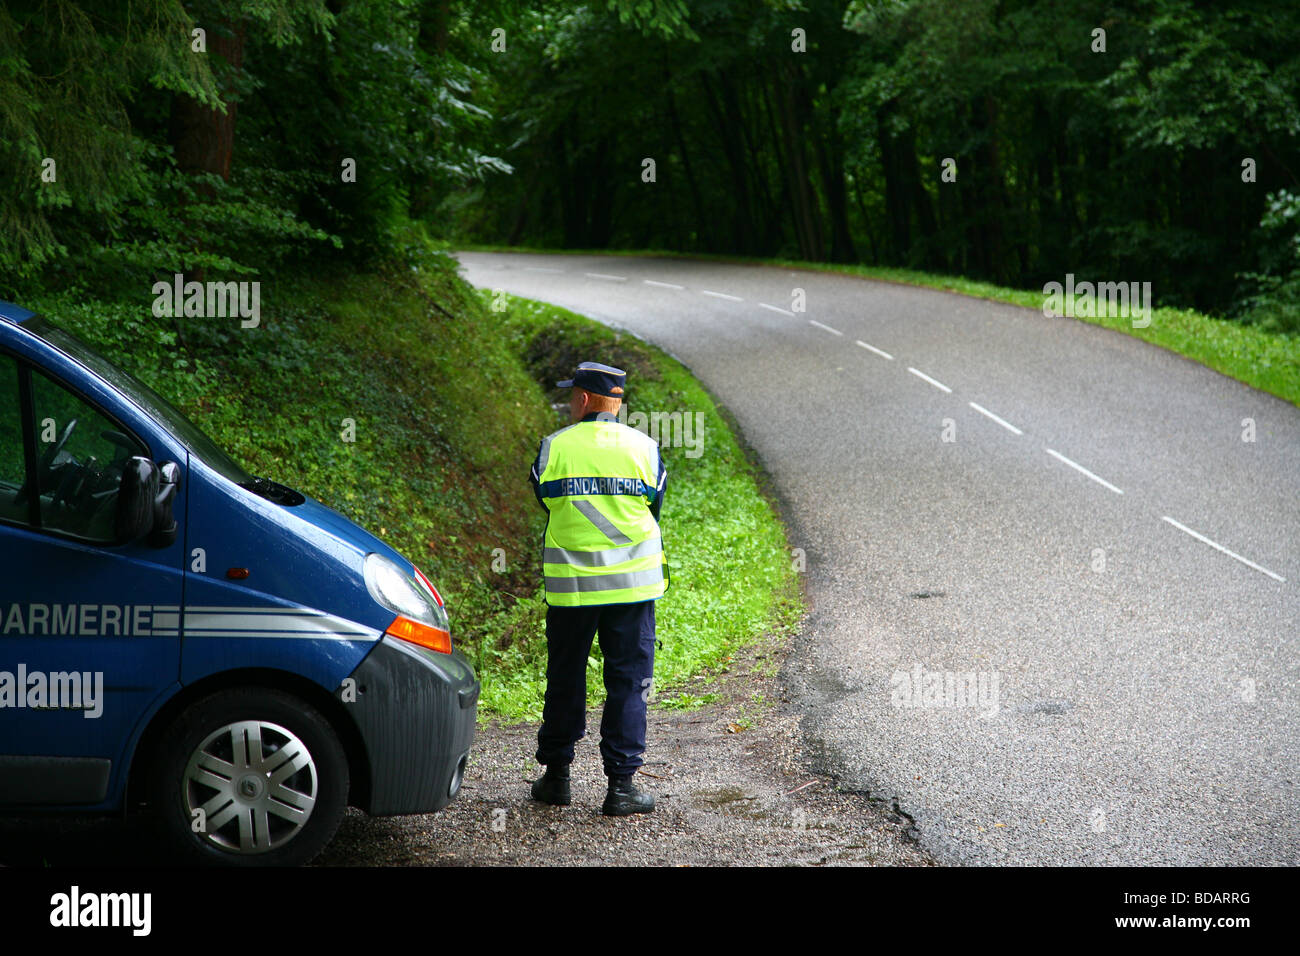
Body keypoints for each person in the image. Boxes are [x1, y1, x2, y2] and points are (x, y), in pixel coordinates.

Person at [527, 361, 668, 815]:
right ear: (617, 401)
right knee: (628, 681)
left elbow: (546, 500)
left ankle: (557, 778)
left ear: (584, 400)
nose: (570, 403)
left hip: (573, 591)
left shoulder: (554, 448)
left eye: (572, 396)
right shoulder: (645, 448)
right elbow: (655, 505)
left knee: (565, 675)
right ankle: (622, 787)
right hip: (632, 589)